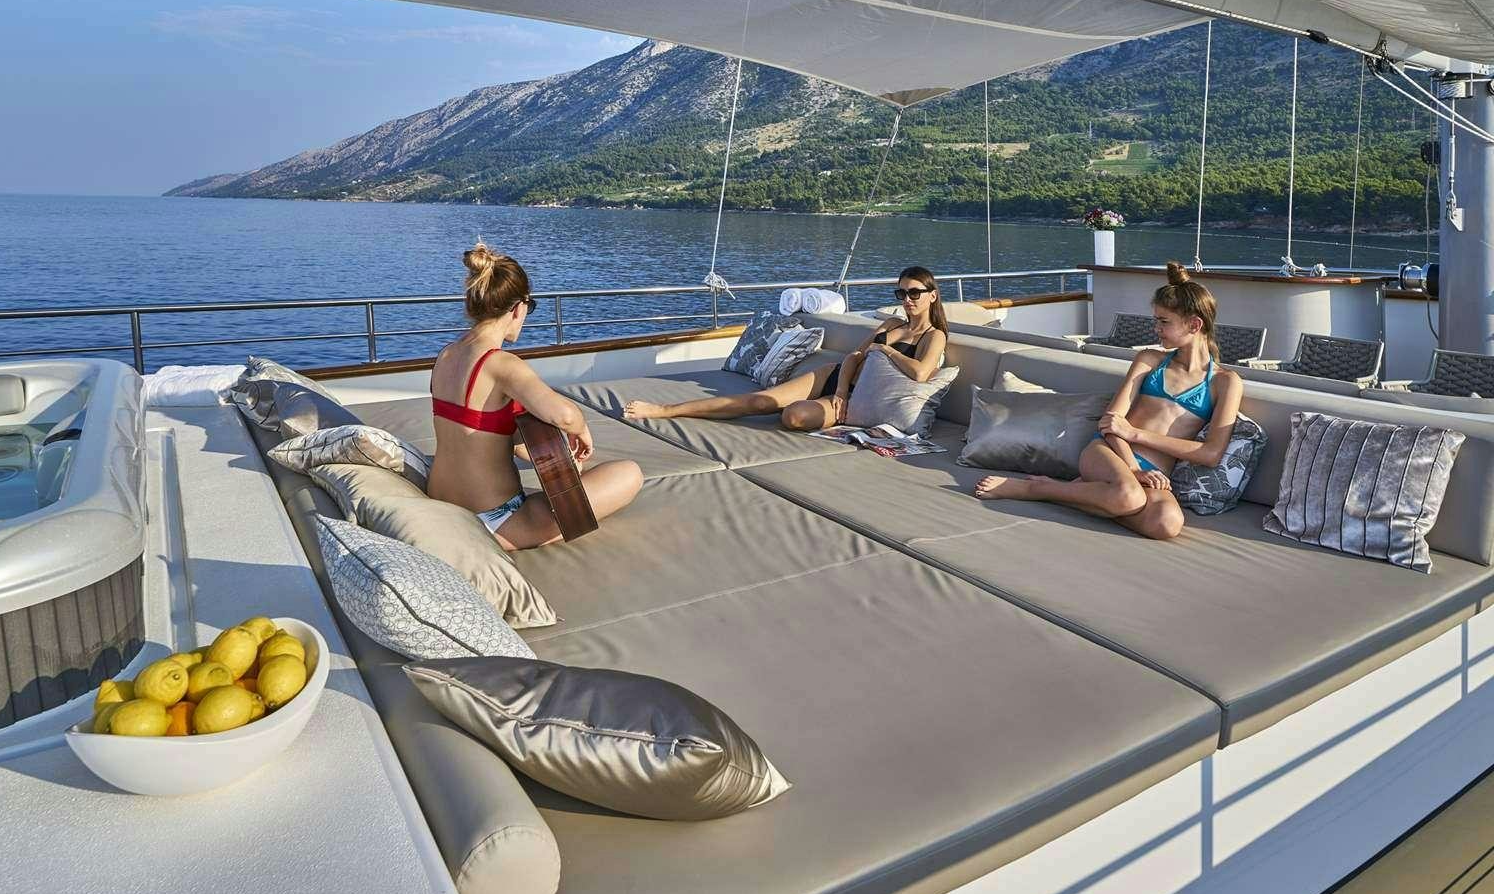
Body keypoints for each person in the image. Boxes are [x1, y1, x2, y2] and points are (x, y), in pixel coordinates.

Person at [974, 261, 1244, 540]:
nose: (1156, 328)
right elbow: (1110, 423)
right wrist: (1133, 467)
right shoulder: (1150, 360)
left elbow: (1210, 454)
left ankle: (1086, 495)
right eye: (1156, 320)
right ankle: (1038, 489)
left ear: (1195, 324)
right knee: (1129, 496)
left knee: (1167, 523)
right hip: (1110, 452)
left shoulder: (1225, 382)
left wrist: (1136, 434)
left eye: (1164, 322)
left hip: (1155, 474)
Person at [428, 244, 642, 550]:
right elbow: (564, 415)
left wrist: (553, 457)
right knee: (628, 474)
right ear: (518, 308)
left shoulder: (447, 355)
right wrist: (581, 429)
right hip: (493, 521)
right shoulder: (501, 364)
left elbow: (478, 433)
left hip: (442, 506)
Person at [624, 266, 950, 431]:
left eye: (914, 293)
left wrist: (886, 352)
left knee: (793, 416)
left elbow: (921, 373)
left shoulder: (934, 336)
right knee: (759, 402)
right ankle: (666, 410)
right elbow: (855, 356)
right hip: (837, 377)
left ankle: (830, 413)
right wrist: (840, 390)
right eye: (902, 294)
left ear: (932, 295)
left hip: (863, 396)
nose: (907, 300)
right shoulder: (890, 325)